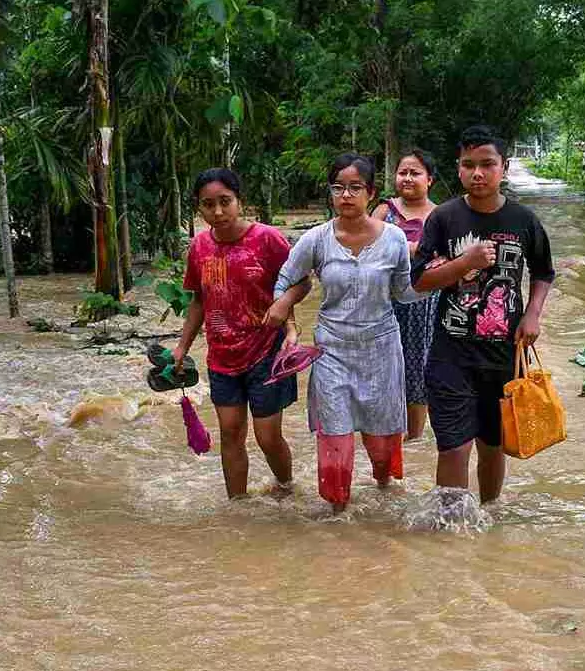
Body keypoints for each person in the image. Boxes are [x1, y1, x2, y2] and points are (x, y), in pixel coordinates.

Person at [269, 153, 422, 513]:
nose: (346, 195)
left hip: (382, 350)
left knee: (382, 448)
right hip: (332, 352)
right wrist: (289, 326)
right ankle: (338, 520)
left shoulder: (395, 239)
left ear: (371, 193)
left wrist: (447, 276)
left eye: (355, 187)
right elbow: (285, 280)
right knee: (335, 442)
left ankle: (384, 493)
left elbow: (405, 292)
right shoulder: (317, 239)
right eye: (339, 187)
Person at [410, 126, 556, 504]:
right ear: (458, 170)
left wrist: (533, 314)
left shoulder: (524, 221)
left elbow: (543, 272)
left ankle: (488, 515)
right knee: (453, 447)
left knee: (492, 444)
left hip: (504, 354)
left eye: (487, 164)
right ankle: (453, 528)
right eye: (468, 165)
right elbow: (421, 281)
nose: (478, 173)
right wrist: (465, 263)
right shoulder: (443, 219)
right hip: (450, 353)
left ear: (503, 168)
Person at [172, 168, 307, 500]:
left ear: (239, 201)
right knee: (230, 433)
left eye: (225, 202)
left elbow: (301, 282)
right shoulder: (199, 246)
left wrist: (286, 310)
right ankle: (238, 508)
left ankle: (286, 487)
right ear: (198, 208)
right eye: (208, 205)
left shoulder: (268, 239)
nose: (217, 212)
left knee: (267, 436)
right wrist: (181, 347)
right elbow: (199, 301)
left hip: (266, 352)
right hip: (221, 356)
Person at [371, 149, 438, 441]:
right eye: (403, 172)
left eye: (415, 173)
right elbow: (368, 246)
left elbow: (446, 257)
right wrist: (415, 250)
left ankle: (414, 441)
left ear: (430, 180)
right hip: (384, 301)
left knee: (418, 368)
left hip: (426, 305)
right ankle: (382, 437)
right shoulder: (384, 211)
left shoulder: (440, 215)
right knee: (381, 368)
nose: (408, 178)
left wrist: (404, 248)